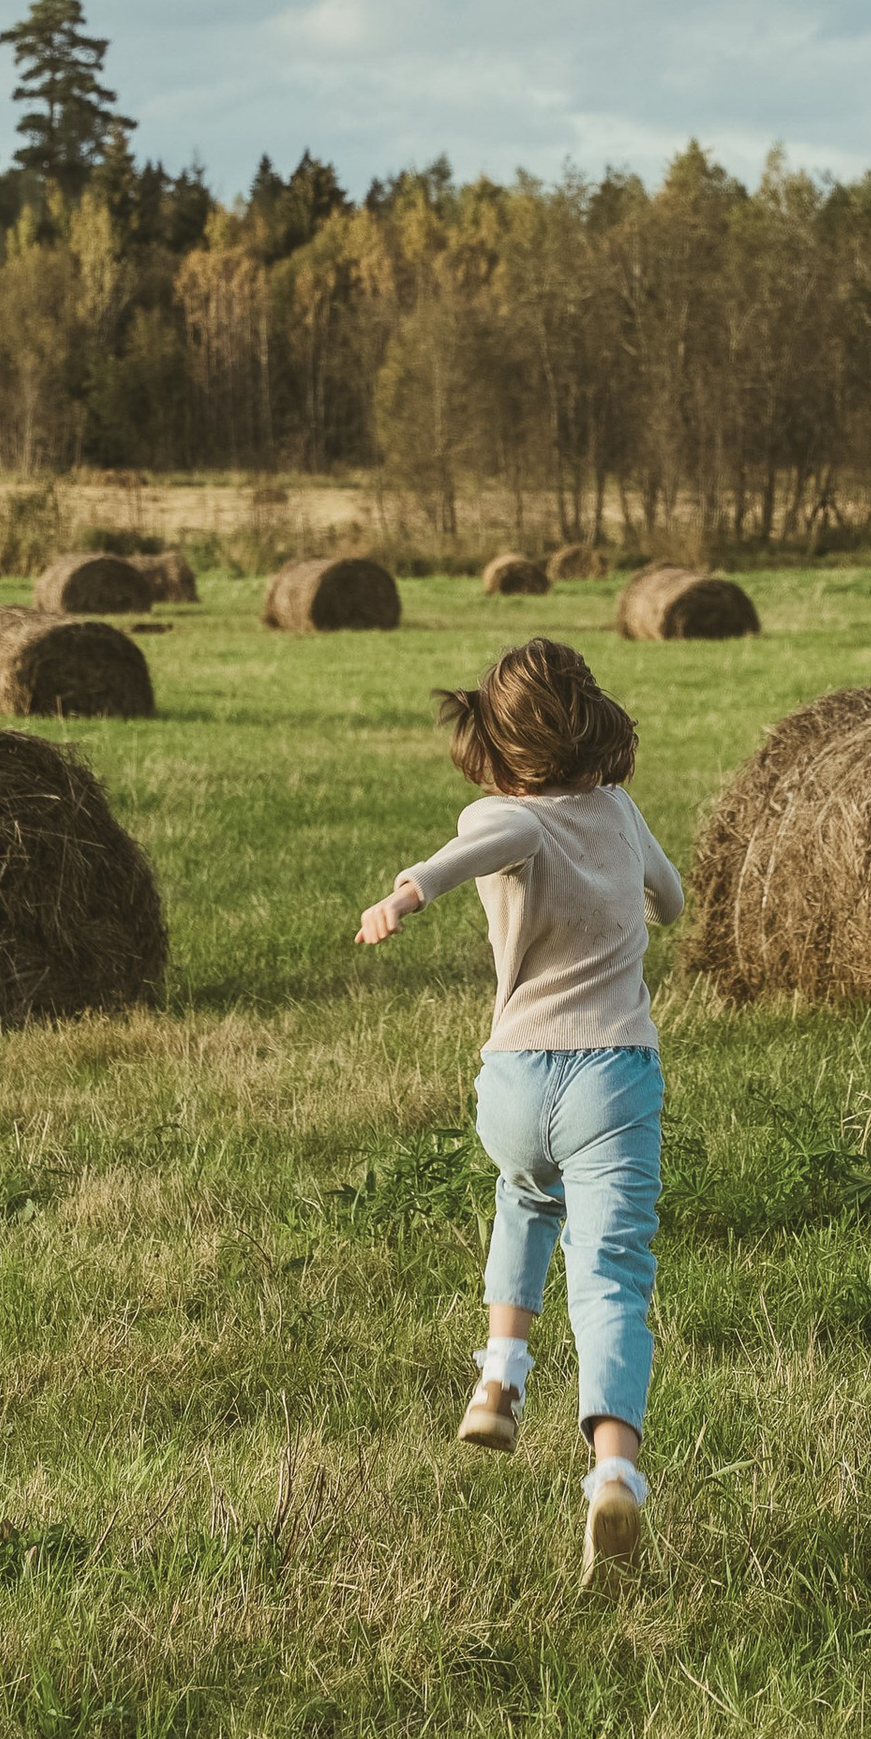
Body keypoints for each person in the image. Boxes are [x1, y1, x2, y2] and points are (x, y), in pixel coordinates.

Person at [356, 634, 681, 1585]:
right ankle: (614, 1469)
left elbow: (483, 846)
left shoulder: (507, 815)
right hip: (613, 1075)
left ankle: (500, 1378)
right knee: (613, 1273)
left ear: (497, 739)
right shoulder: (619, 812)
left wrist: (408, 892)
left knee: (524, 1198)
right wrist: (631, 901)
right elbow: (670, 898)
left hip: (514, 1080)